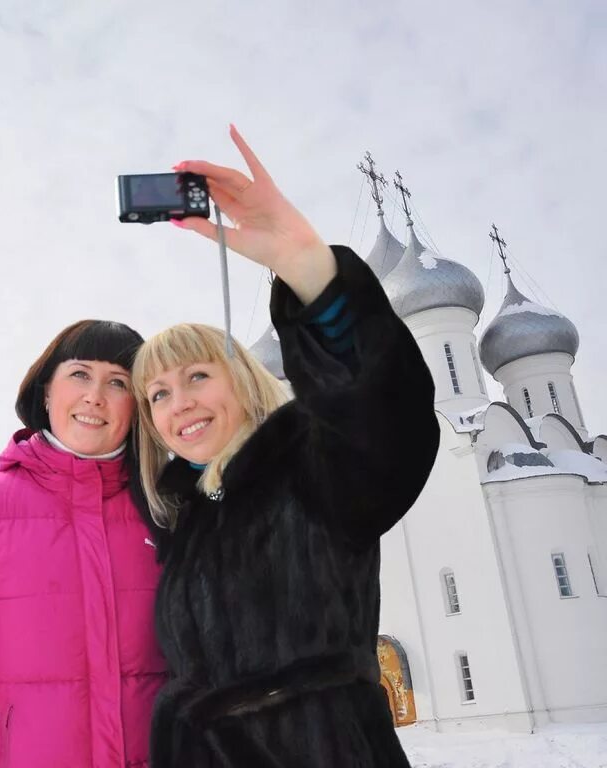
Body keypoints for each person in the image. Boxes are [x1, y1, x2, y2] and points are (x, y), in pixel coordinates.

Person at [131, 126, 440, 767]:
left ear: (242, 379)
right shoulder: (190, 515)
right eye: (157, 394)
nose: (178, 402)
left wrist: (304, 266)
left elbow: (386, 423)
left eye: (196, 376)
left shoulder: (308, 464)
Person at [0, 320, 167, 768]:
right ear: (46, 391)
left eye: (117, 382)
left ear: (137, 406)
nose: (94, 396)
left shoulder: (166, 512)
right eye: (79, 374)